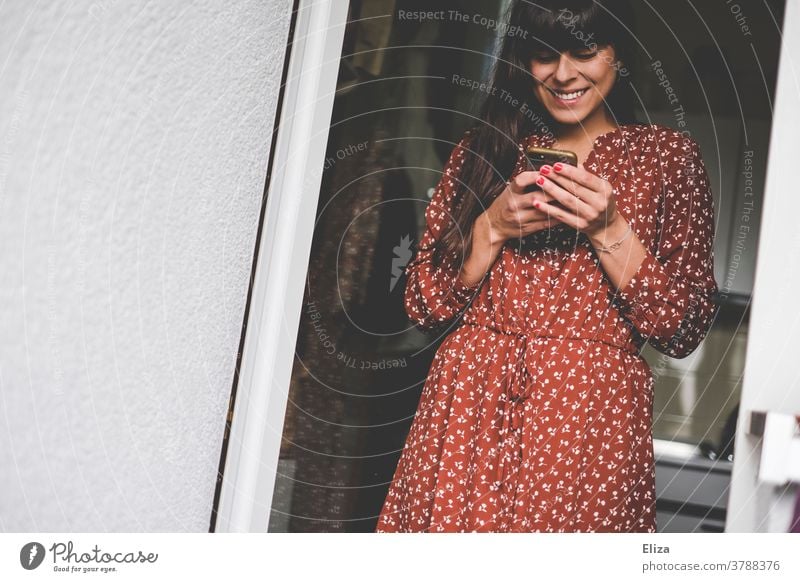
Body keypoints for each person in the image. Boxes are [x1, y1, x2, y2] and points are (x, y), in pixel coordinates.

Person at [375, 0, 718, 533]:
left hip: (589, 416)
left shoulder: (667, 160)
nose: (563, 74)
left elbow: (686, 327)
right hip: (469, 403)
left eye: (584, 52)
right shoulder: (482, 150)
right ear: (521, 58)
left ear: (619, 53)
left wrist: (610, 230)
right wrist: (491, 228)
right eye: (543, 55)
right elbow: (423, 305)